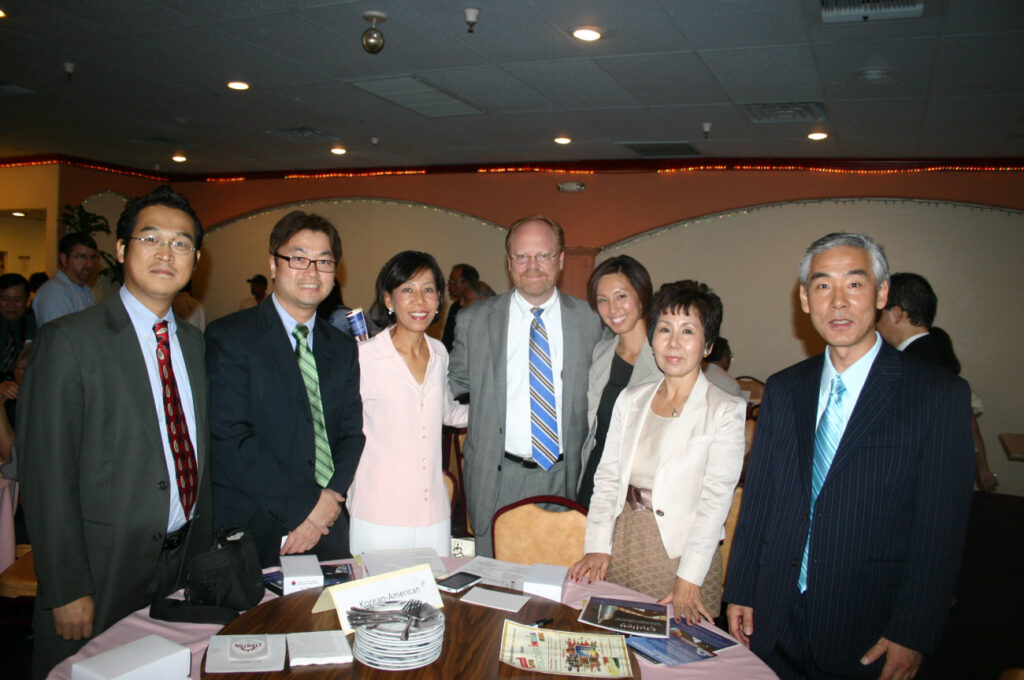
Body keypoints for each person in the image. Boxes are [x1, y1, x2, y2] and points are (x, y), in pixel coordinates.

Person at [725, 232, 974, 680]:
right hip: (775, 615)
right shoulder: (784, 388)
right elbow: (760, 498)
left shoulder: (937, 395)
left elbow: (940, 529)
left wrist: (913, 631)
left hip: (869, 625)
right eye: (823, 286)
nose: (838, 302)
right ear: (805, 299)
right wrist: (741, 588)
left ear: (881, 293)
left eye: (854, 284)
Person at [17, 186, 212, 678]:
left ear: (195, 260)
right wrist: (66, 587)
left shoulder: (193, 345)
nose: (166, 253)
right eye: (151, 238)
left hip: (181, 565)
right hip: (101, 571)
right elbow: (46, 475)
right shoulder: (69, 341)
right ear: (122, 250)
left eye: (181, 243)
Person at [570, 280, 745, 623]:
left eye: (688, 331)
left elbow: (714, 503)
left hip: (681, 557)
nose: (673, 342)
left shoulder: (725, 409)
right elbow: (607, 478)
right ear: (652, 339)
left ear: (708, 345)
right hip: (623, 544)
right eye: (664, 329)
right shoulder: (631, 399)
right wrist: (597, 546)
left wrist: (689, 579)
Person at [206, 211, 364, 568]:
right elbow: (231, 438)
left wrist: (328, 503)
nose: (312, 272)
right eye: (298, 258)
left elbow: (351, 434)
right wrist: (304, 508)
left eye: (324, 261)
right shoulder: (230, 337)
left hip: (328, 524)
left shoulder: (341, 347)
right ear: (273, 264)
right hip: (256, 525)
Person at [448, 215, 602, 557]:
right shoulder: (474, 320)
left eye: (543, 255)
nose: (532, 266)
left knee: (561, 579)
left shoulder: (590, 321)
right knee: (494, 580)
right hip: (496, 477)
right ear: (509, 262)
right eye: (522, 256)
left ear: (560, 260)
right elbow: (452, 385)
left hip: (566, 477)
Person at [347, 251, 469, 556]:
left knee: (434, 587)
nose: (419, 301)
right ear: (389, 300)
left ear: (439, 299)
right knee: (377, 588)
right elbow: (341, 431)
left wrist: (497, 411)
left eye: (428, 290)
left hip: (432, 512)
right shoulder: (365, 358)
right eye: (407, 290)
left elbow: (448, 412)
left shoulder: (439, 352)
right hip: (378, 513)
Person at [877, 271, 997, 492]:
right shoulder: (938, 351)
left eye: (879, 314)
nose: (876, 324)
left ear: (897, 314)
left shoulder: (910, 366)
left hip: (915, 481)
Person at [576, 255, 661, 509]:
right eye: (603, 300)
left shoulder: (665, 358)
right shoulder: (601, 352)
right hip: (595, 476)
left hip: (639, 490)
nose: (612, 309)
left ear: (642, 295)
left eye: (621, 296)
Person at [32, 232, 98, 326]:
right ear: (63, 259)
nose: (89, 264)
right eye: (81, 257)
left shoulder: (86, 290)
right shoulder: (54, 292)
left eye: (92, 258)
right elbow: (58, 333)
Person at [0, 273, 35, 381]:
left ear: (27, 300)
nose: (10, 305)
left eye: (17, 300)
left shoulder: (31, 324)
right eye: (4, 299)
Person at [441, 263, 479, 352]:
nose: (448, 285)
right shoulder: (454, 307)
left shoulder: (481, 308)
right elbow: (447, 340)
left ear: (466, 283)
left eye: (452, 281)